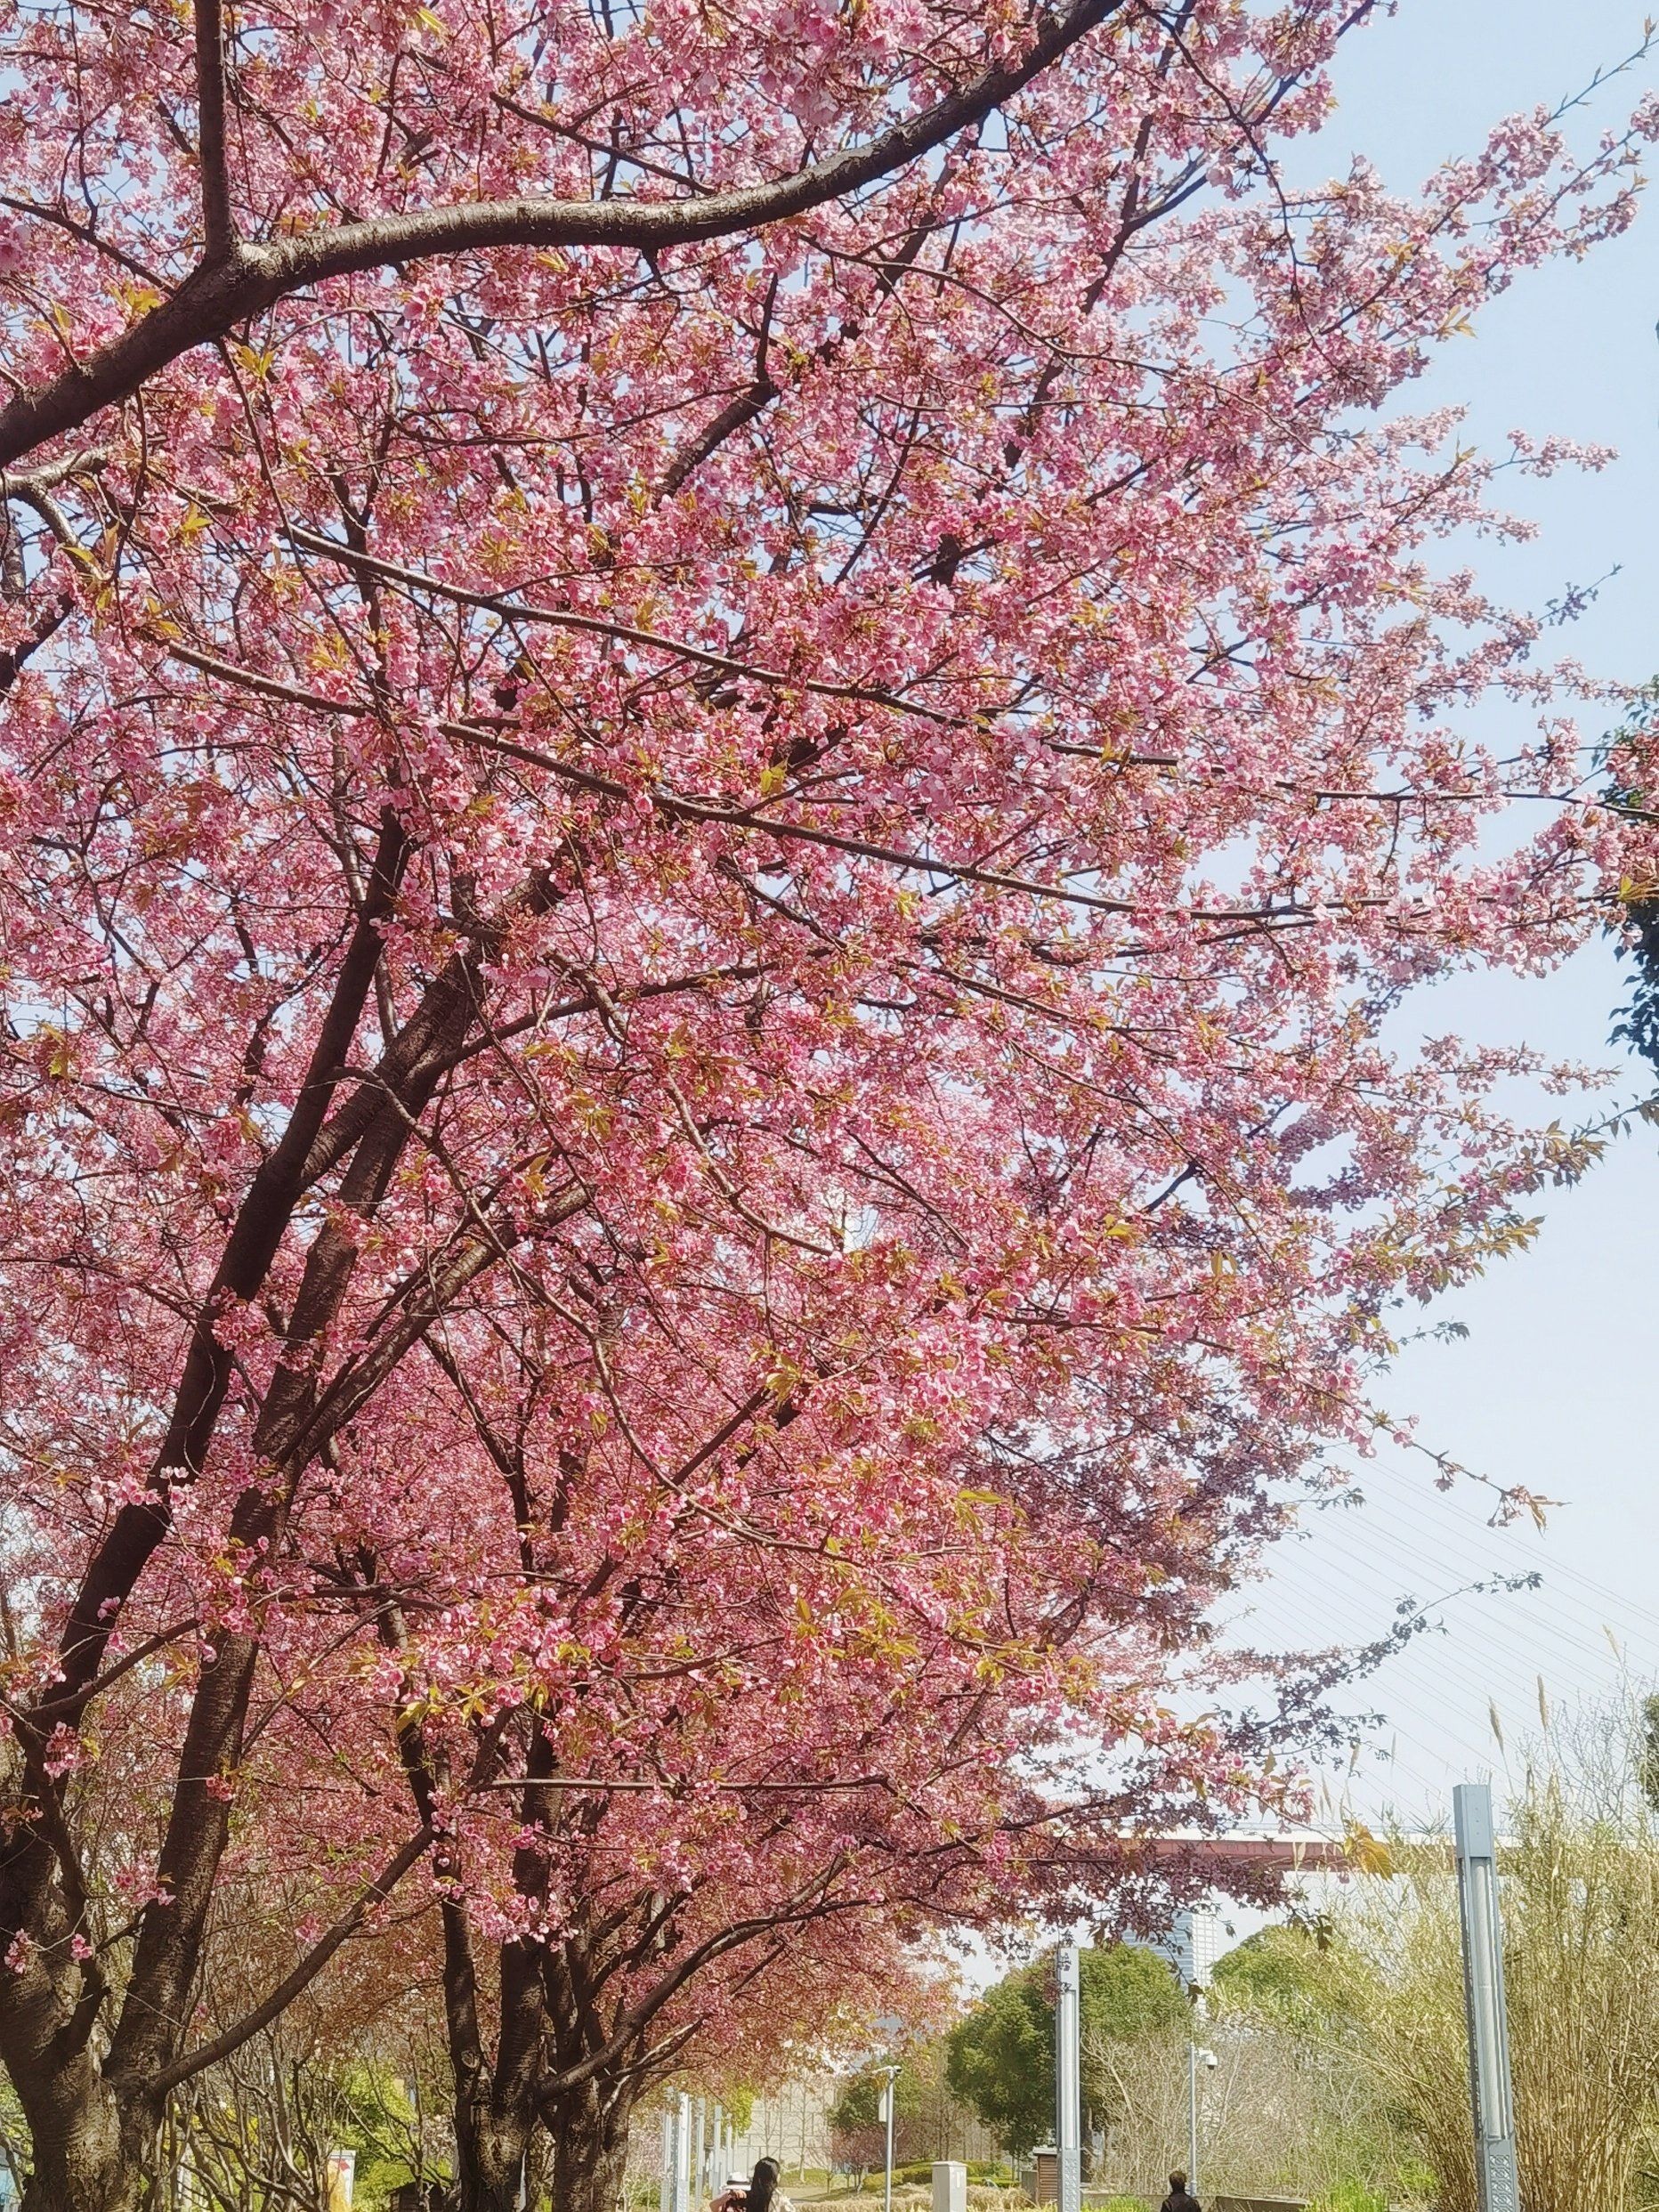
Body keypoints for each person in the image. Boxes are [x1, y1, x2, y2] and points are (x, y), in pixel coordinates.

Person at [713, 2158, 793, 2212]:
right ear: (775, 2176)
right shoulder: (779, 2199)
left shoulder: (748, 2197)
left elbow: (713, 2206)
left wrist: (729, 2195)